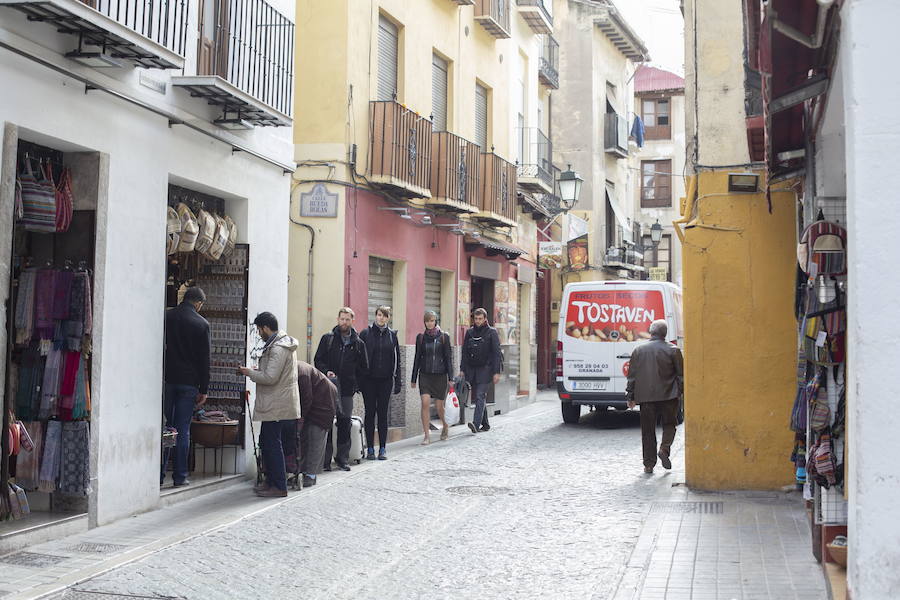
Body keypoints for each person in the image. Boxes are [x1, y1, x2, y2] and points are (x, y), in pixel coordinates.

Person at [238, 312, 301, 497]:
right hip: (276, 403)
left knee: (272, 445)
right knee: (266, 442)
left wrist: (249, 372)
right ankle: (271, 481)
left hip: (277, 405)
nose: (258, 333)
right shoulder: (277, 345)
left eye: (259, 329)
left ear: (266, 327)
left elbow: (270, 377)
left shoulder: (278, 348)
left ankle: (279, 486)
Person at [161, 286, 210, 488]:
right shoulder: (201, 324)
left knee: (165, 427)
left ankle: (158, 474)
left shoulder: (167, 317)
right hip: (189, 383)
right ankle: (180, 476)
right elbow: (204, 360)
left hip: (167, 379)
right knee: (182, 429)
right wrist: (204, 389)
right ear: (198, 303)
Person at [625, 319, 684, 474]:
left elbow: (632, 376)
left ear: (651, 332)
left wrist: (630, 396)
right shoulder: (674, 350)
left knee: (647, 430)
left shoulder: (638, 350)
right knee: (670, 424)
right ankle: (664, 449)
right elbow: (680, 376)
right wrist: (680, 393)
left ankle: (649, 464)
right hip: (669, 396)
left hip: (646, 398)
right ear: (665, 334)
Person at [314, 307, 368, 471]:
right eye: (342, 319)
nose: (344, 322)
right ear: (338, 319)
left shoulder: (358, 343)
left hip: (346, 390)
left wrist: (355, 384)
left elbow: (364, 368)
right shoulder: (328, 339)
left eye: (347, 319)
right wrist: (326, 372)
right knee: (327, 422)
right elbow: (318, 360)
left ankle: (342, 459)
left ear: (352, 321)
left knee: (345, 422)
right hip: (328, 388)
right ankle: (325, 460)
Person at [358, 306, 401, 460]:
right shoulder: (366, 333)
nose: (381, 318)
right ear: (375, 316)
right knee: (370, 413)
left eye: (384, 316)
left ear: (388, 318)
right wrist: (359, 380)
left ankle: (382, 448)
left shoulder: (392, 336)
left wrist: (398, 381)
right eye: (379, 315)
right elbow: (359, 357)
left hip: (386, 380)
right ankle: (370, 448)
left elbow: (397, 359)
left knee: (383, 414)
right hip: (368, 381)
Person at [411, 310, 454, 444]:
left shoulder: (444, 337)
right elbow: (417, 357)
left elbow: (448, 358)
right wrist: (413, 378)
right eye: (427, 321)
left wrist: (451, 378)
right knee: (424, 403)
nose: (429, 323)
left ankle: (445, 426)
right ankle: (426, 435)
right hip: (425, 375)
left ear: (436, 321)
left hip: (440, 376)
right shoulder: (421, 337)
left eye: (432, 320)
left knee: (439, 406)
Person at [460, 308, 502, 435]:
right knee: (480, 397)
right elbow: (464, 353)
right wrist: (462, 369)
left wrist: (496, 372)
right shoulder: (470, 333)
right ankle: (486, 424)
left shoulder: (492, 332)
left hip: (486, 370)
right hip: (472, 370)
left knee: (479, 395)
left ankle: (476, 424)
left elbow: (496, 354)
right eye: (476, 319)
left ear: (485, 319)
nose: (477, 321)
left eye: (480, 319)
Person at [297, 361, 337, 488]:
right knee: (304, 440)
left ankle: (311, 475)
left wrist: (300, 418)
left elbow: (306, 399)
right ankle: (303, 472)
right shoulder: (296, 369)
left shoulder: (301, 373)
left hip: (324, 403)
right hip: (317, 401)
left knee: (316, 439)